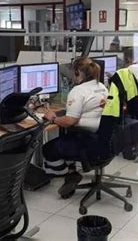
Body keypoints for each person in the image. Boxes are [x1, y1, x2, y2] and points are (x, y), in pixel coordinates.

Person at [42, 57, 108, 196]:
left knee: (48, 149)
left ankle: (68, 174)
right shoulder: (101, 87)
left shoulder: (78, 91)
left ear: (78, 72)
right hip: (101, 137)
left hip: (88, 141)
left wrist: (53, 117)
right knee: (67, 136)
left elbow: (70, 121)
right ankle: (71, 172)